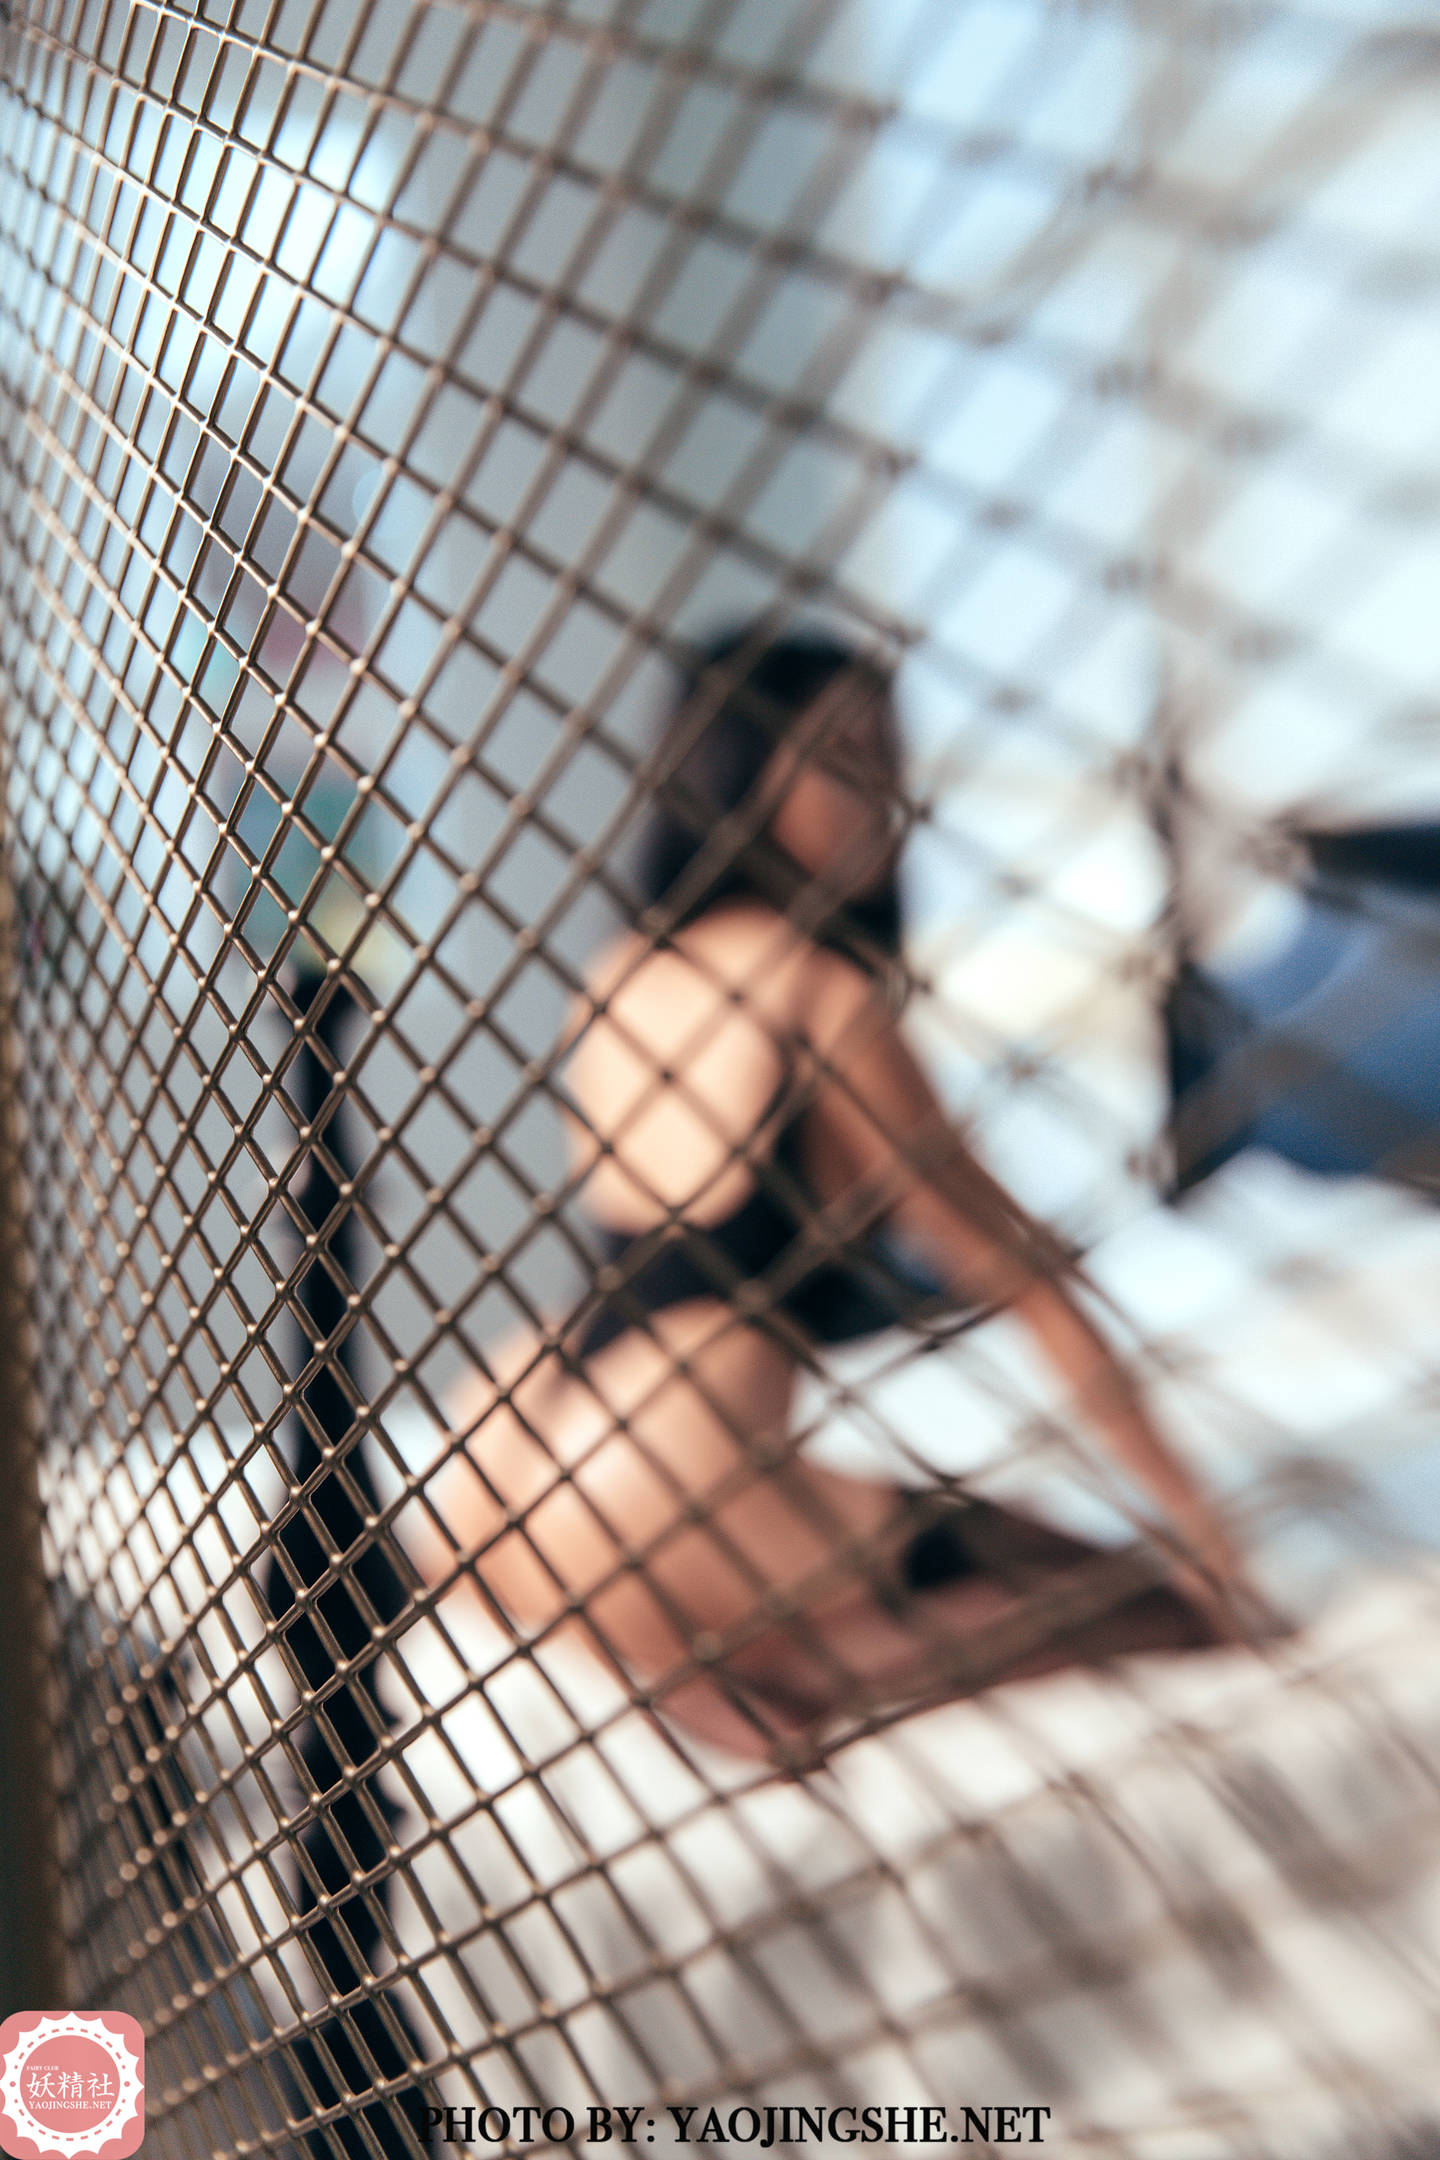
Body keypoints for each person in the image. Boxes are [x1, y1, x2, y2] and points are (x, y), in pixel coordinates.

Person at [421, 627, 1264, 1765]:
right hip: (658, 1498)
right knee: (1161, 1607)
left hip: (498, 1483)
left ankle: (690, 1650)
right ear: (740, 774)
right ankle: (771, 1674)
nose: (886, 798)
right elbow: (1026, 1283)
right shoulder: (820, 993)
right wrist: (1211, 1539)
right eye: (844, 761)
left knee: (990, 1544)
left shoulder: (622, 973)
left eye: (891, 759)